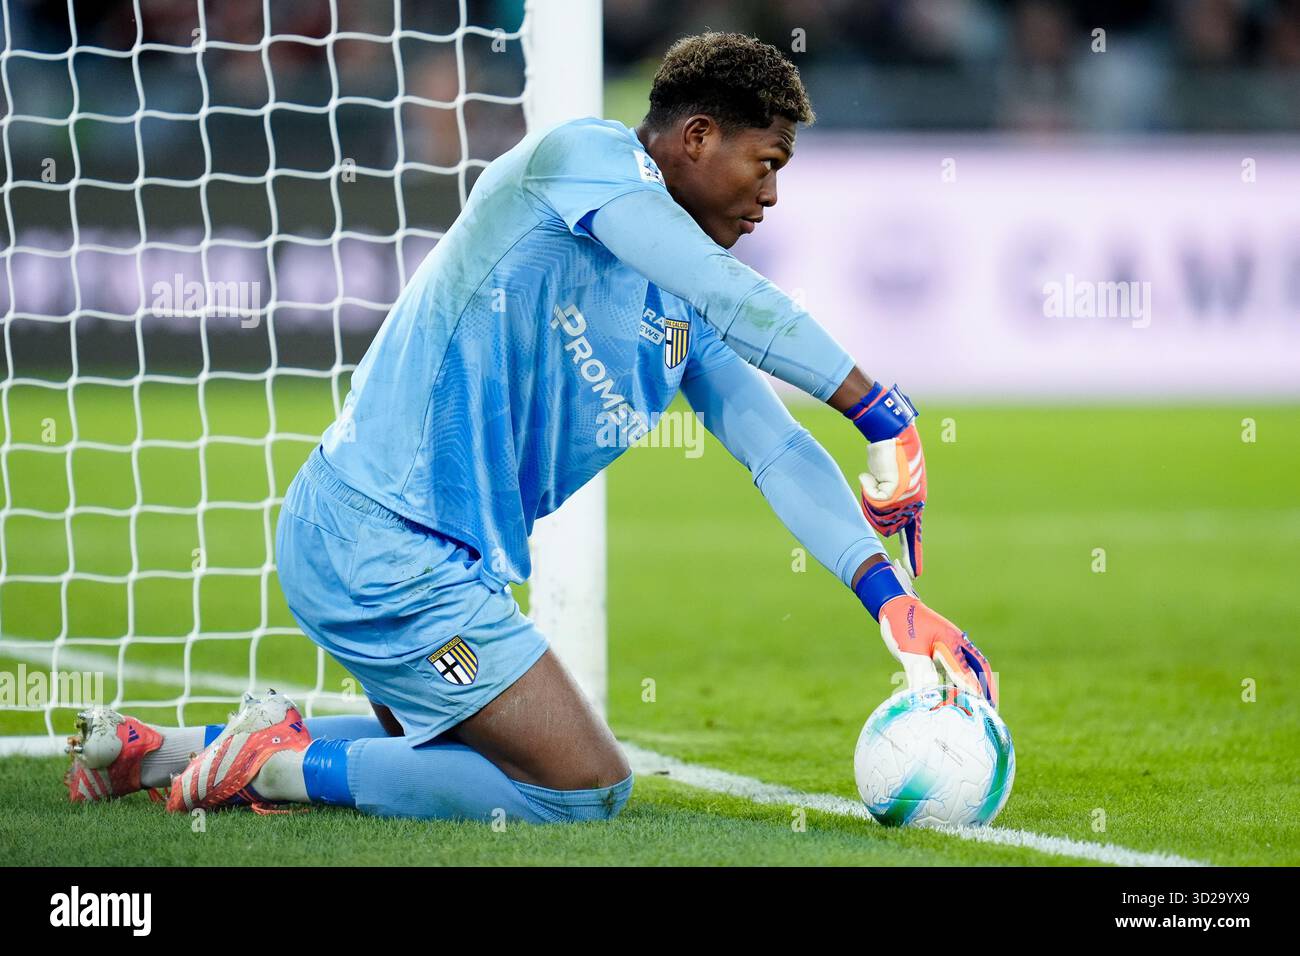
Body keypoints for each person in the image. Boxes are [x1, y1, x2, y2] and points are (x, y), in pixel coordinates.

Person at [65, 32, 996, 823]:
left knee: (456, 737)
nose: (772, 196)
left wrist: (891, 602)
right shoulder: (582, 158)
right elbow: (732, 293)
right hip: (379, 544)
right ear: (698, 136)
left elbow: (776, 447)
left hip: (432, 561)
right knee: (581, 789)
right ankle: (274, 767)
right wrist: (882, 412)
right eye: (768, 163)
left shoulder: (683, 300)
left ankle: (146, 753)